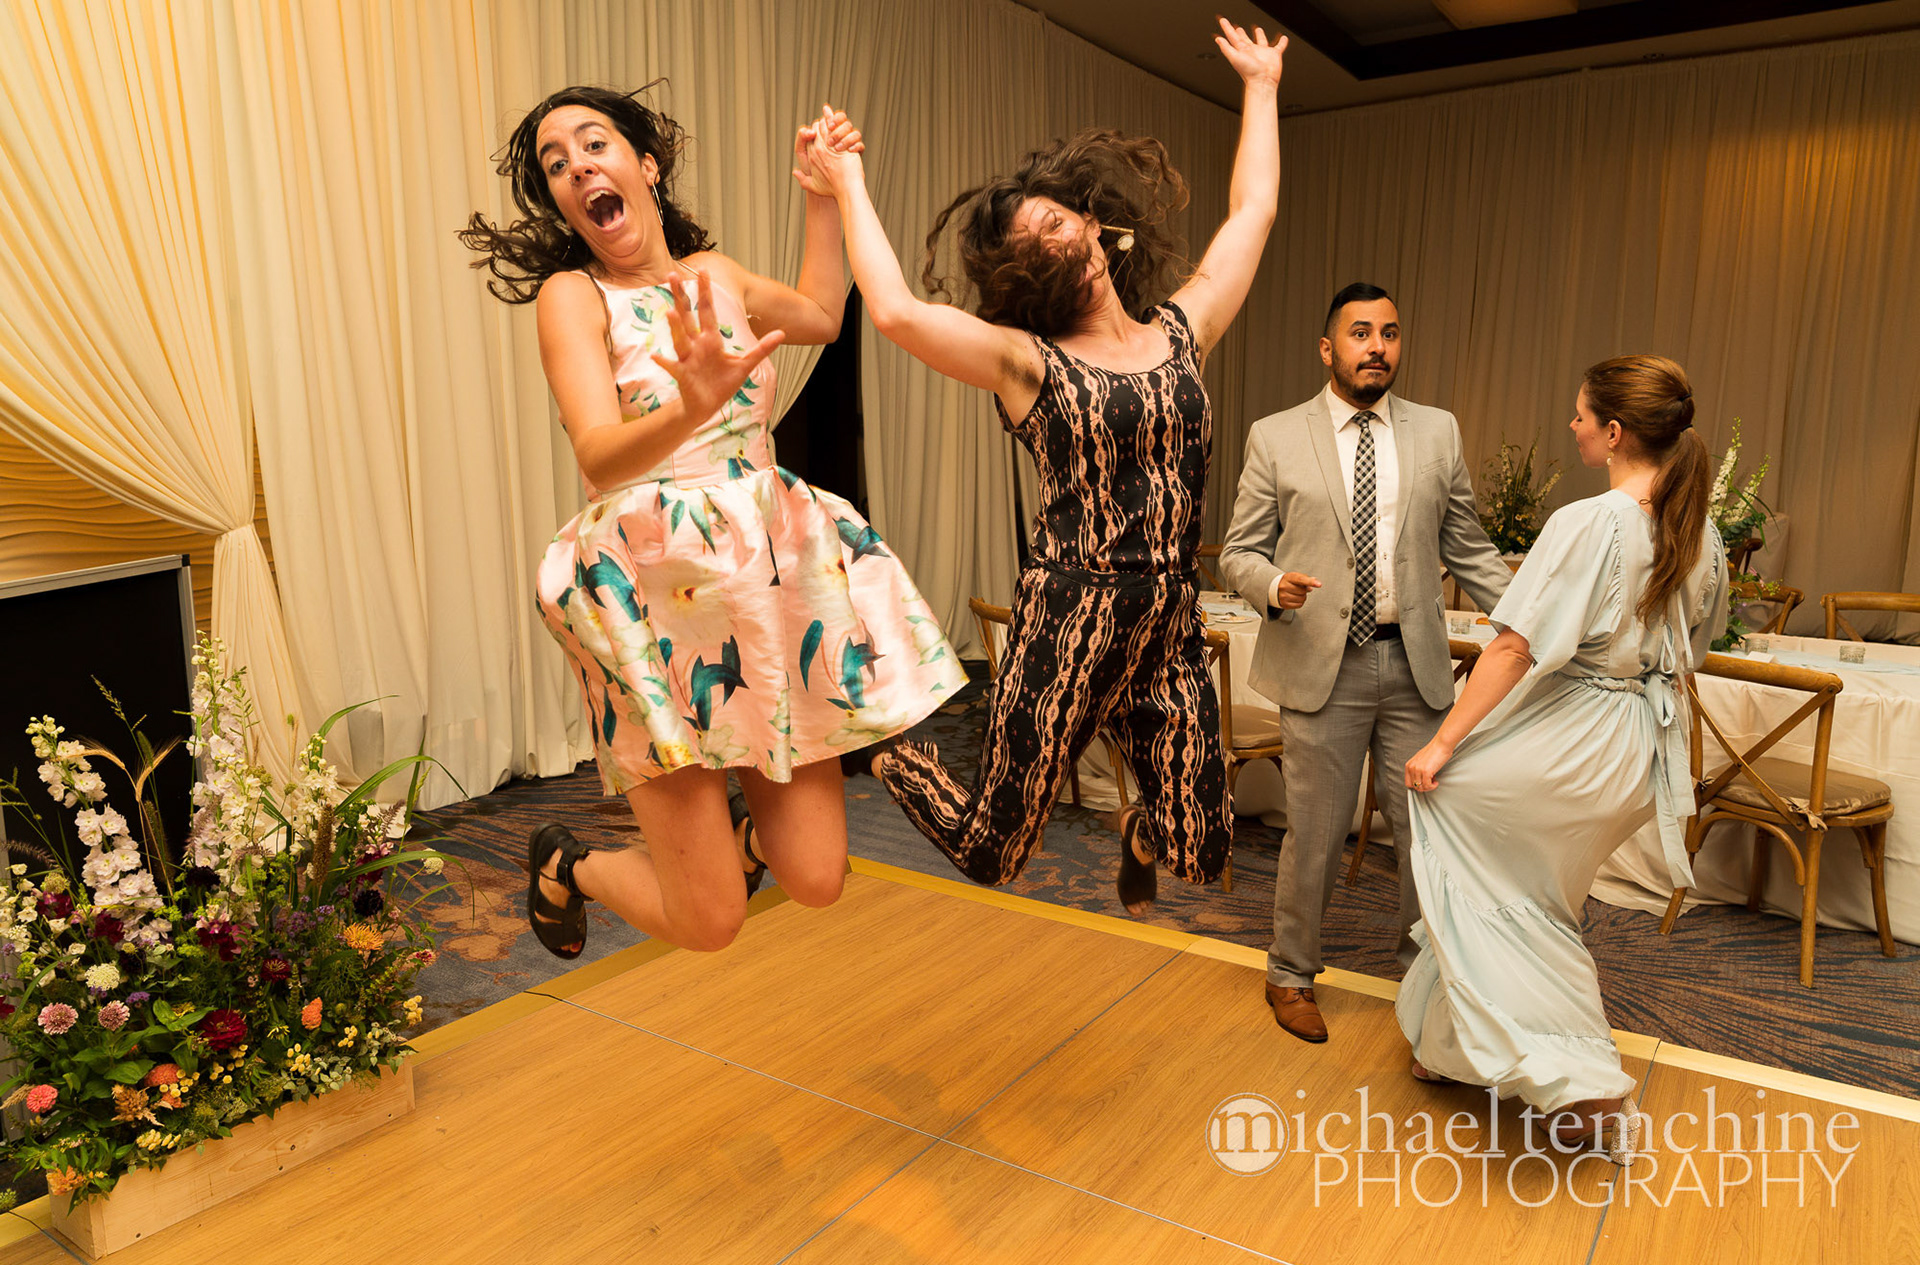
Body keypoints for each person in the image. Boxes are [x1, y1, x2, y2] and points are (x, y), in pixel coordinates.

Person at [459, 85, 964, 957]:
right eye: (556, 165)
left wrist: (819, 195)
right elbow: (599, 457)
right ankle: (568, 861)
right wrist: (687, 405)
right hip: (648, 591)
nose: (578, 167)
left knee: (816, 877)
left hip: (763, 574)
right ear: (562, 202)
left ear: (645, 167)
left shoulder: (719, 276)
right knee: (711, 921)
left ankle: (728, 846)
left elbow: (822, 312)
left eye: (594, 146)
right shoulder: (573, 298)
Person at [801, 18, 1286, 913]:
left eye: (1060, 223)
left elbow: (1250, 214)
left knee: (1201, 841)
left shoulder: (1183, 335)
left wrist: (1261, 88)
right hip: (1072, 611)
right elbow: (900, 312)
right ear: (1031, 275)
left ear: (1099, 230)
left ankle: (1141, 825)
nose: (1056, 242)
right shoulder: (1030, 364)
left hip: (1169, 609)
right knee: (993, 850)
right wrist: (848, 180)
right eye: (1034, 245)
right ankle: (884, 754)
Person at [1395, 355, 1728, 1162]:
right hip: (1637, 750)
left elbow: (1514, 647)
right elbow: (1701, 648)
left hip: (1579, 735)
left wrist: (1443, 740)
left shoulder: (1591, 522)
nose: (1573, 426)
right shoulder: (1701, 530)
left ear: (1614, 433)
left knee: (1451, 809)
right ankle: (1453, 1044)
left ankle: (1586, 1086)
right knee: (1525, 889)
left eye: (1582, 416)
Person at [1219, 283, 1512, 1043]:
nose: (1377, 346)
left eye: (1389, 332)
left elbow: (1468, 546)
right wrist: (1271, 586)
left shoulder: (1437, 432)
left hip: (1415, 667)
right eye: (1359, 333)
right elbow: (1238, 552)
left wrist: (1529, 615)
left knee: (1428, 836)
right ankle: (1289, 974)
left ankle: (1428, 982)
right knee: (1313, 832)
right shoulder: (1276, 436)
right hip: (1321, 667)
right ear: (1329, 349)